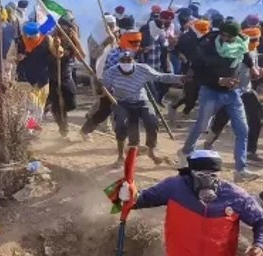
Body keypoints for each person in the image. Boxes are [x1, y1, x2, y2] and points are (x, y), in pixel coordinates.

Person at [117, 150, 263, 256]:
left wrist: (259, 245)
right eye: (201, 175)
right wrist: (123, 194)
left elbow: (260, 220)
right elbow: (136, 200)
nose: (207, 180)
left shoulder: (235, 196)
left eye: (213, 175)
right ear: (191, 173)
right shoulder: (174, 187)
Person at [180, 21, 261, 182]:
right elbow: (197, 72)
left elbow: (244, 53)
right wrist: (218, 80)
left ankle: (240, 170)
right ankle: (185, 152)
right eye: (224, 36)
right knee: (202, 126)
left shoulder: (241, 42)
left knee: (242, 130)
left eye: (230, 37)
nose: (226, 39)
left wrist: (252, 67)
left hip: (232, 92)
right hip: (210, 91)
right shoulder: (206, 45)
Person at [102, 51, 182, 166]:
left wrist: (180, 78)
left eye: (129, 60)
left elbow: (160, 77)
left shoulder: (143, 69)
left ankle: (151, 152)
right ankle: (120, 156)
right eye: (123, 61)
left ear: (133, 60)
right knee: (120, 124)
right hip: (122, 102)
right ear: (119, 62)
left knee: (152, 121)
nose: (126, 63)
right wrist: (102, 88)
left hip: (141, 100)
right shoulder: (111, 72)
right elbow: (104, 87)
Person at [204, 25, 261, 160]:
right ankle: (208, 143)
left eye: (256, 40)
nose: (254, 42)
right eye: (252, 40)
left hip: (247, 90)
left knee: (255, 120)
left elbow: (253, 70)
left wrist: (257, 71)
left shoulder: (253, 52)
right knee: (221, 120)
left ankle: (250, 151)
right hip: (231, 91)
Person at [13, 21, 60, 128]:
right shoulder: (18, 42)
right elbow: (9, 57)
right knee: (27, 105)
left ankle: (32, 125)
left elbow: (57, 54)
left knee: (39, 105)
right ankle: (26, 128)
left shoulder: (47, 39)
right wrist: (16, 58)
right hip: (24, 77)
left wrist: (58, 46)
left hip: (42, 78)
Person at [169, 18, 212, 121]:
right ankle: (175, 107)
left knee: (198, 92)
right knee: (191, 93)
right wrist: (180, 55)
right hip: (189, 69)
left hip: (203, 69)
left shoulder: (208, 38)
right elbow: (175, 49)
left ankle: (186, 110)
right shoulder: (185, 37)